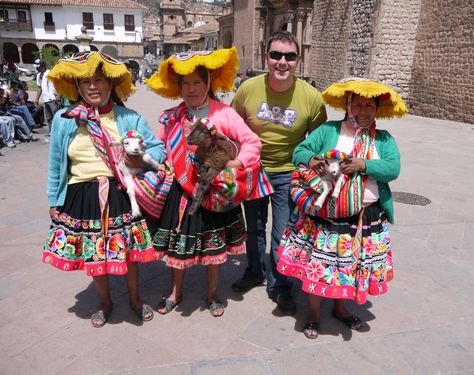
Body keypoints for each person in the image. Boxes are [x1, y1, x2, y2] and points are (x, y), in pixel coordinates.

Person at [42, 51, 166, 328]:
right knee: (94, 252)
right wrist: (54, 198)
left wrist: (139, 156)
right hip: (81, 196)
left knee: (130, 253)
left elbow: (158, 148)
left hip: (119, 192)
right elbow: (55, 164)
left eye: (99, 80)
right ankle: (105, 302)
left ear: (111, 84)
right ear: (77, 86)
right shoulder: (65, 119)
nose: (92, 86)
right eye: (85, 81)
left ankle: (135, 298)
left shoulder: (128, 117)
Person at [278, 77, 407, 338]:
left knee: (350, 265)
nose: (363, 111)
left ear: (377, 109)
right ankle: (313, 314)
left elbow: (393, 169)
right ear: (347, 105)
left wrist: (364, 165)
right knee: (321, 265)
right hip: (326, 215)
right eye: (357, 105)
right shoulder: (329, 130)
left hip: (365, 217)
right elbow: (300, 151)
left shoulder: (382, 139)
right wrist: (313, 159)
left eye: (369, 106)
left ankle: (340, 308)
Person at [147, 47, 271, 317]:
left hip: (214, 193)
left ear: (208, 84)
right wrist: (154, 158)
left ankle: (213, 295)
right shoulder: (172, 117)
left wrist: (234, 164)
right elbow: (159, 147)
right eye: (185, 83)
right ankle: (175, 293)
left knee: (215, 247)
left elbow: (251, 141)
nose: (191, 89)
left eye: (197, 83)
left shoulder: (223, 114)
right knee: (177, 247)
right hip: (181, 191)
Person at [231, 30, 327, 315]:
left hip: (289, 174)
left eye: (289, 56)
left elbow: (317, 142)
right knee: (255, 227)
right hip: (254, 169)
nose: (282, 62)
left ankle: (280, 285)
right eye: (276, 55)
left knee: (284, 230)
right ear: (266, 56)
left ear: (298, 60)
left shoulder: (311, 98)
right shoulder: (248, 89)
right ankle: (254, 271)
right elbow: (231, 127)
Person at [33, 59, 59, 143]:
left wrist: (58, 96)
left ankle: (58, 134)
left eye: (38, 67)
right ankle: (52, 133)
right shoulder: (38, 75)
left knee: (56, 117)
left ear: (43, 66)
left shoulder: (51, 73)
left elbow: (58, 84)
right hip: (46, 99)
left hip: (53, 99)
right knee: (49, 118)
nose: (37, 69)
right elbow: (39, 87)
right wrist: (36, 99)